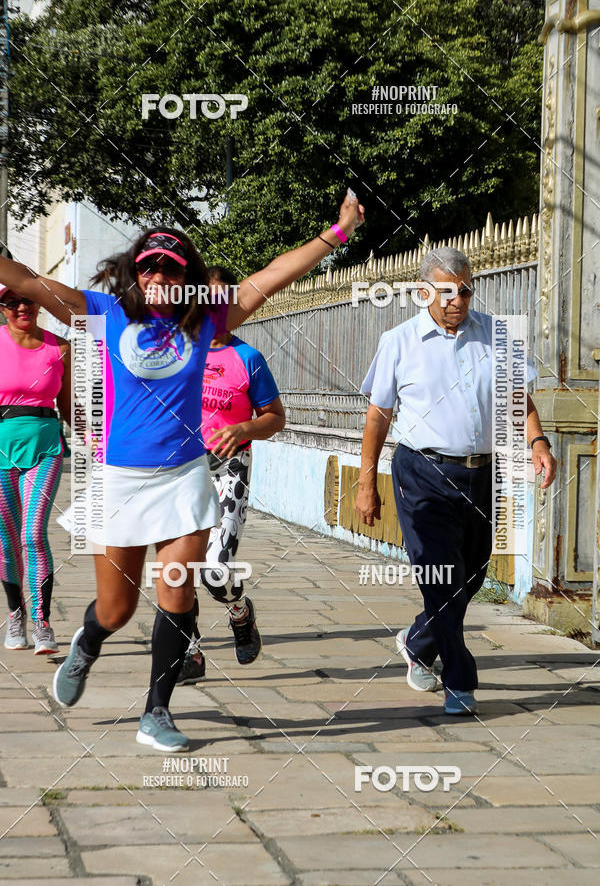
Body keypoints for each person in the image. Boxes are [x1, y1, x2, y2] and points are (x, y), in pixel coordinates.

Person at [0, 191, 364, 752]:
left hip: (184, 476)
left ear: (186, 276)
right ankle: (89, 642)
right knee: (117, 609)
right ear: (135, 274)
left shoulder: (206, 321)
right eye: (149, 268)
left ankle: (157, 712)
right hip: (119, 480)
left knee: (176, 592)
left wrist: (336, 234)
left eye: (171, 269)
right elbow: (23, 280)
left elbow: (273, 276)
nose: (160, 278)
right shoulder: (102, 311)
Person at [355, 246, 556, 715]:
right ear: (425, 291)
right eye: (446, 291)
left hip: (483, 473)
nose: (456, 300)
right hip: (421, 472)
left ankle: (419, 642)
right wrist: (366, 484)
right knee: (440, 575)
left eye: (464, 291)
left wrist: (538, 443)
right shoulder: (399, 341)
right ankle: (460, 680)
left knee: (473, 571)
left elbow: (518, 400)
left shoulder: (497, 335)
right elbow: (377, 417)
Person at [177, 265, 286, 685]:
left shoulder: (248, 359)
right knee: (179, 570)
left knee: (216, 570)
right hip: (182, 471)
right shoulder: (179, 353)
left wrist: (244, 428)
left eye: (223, 300)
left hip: (230, 468)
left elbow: (276, 418)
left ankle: (240, 611)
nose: (214, 308)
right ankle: (191, 651)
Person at [0, 285, 71, 654]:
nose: (21, 307)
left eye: (26, 300)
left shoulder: (59, 347)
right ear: (2, 308)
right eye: (11, 302)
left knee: (32, 534)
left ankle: (42, 622)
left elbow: (72, 406)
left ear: (39, 303)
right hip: (0, 450)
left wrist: (99, 441)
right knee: (7, 541)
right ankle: (16, 615)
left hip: (46, 447)